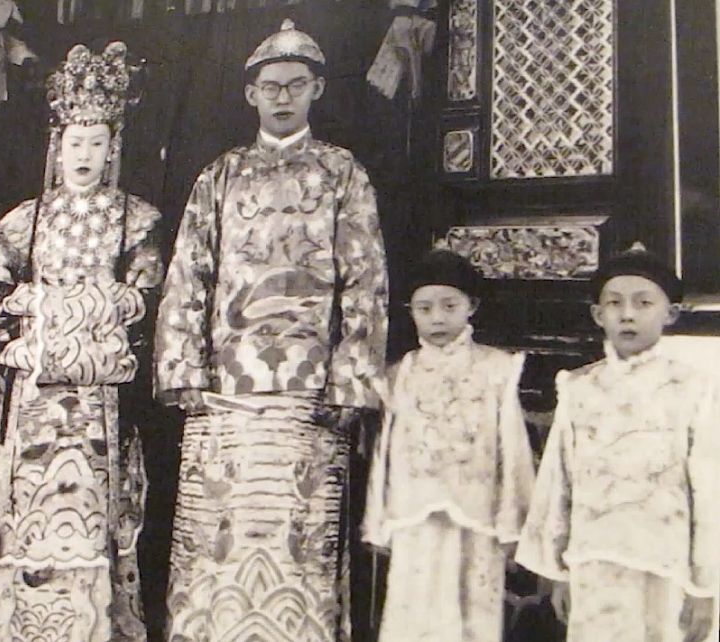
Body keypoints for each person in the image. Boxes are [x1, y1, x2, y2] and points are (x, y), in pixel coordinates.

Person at [155, 19, 389, 641]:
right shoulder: (220, 175)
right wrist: (182, 368)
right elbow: (189, 272)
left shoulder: (343, 173)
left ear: (316, 90)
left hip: (308, 390)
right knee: (218, 532)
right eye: (270, 86)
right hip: (224, 389)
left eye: (295, 85)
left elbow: (364, 278)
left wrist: (351, 381)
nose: (282, 96)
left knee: (299, 532)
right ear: (251, 94)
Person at [0, 41, 163, 641]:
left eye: (96, 142)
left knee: (89, 519)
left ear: (112, 147)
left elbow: (144, 298)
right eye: (74, 142)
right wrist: (42, 311)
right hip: (31, 403)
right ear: (56, 146)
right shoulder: (23, 220)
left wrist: (75, 311)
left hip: (97, 406)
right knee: (21, 517)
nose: (84, 154)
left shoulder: (136, 220)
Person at [516, 243, 719, 642]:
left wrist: (705, 588)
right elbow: (560, 481)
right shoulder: (578, 388)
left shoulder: (693, 389)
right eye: (614, 303)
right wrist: (559, 575)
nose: (627, 313)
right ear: (598, 315)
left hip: (665, 565)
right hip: (594, 561)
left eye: (643, 303)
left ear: (670, 313)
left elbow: (710, 490)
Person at [362, 248, 535, 641]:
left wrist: (513, 524)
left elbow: (513, 446)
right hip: (414, 515)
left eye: (448, 305)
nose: (437, 317)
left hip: (477, 514)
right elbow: (385, 449)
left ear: (470, 306)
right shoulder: (401, 372)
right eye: (424, 308)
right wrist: (379, 519)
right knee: (414, 609)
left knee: (473, 609)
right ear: (411, 311)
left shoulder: (496, 368)